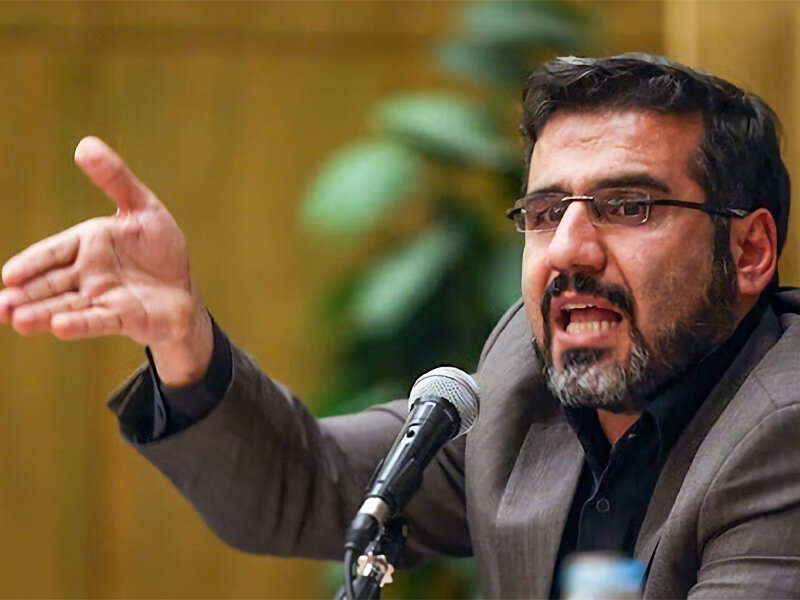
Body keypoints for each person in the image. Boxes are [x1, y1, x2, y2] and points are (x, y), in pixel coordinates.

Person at [1, 53, 799, 598]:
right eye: (545, 212)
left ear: (750, 250)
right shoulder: (525, 380)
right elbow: (305, 483)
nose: (569, 249)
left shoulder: (782, 429)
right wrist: (182, 339)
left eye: (628, 207)